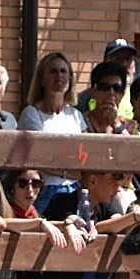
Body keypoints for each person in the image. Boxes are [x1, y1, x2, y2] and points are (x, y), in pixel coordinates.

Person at [18, 52, 87, 215]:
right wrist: (67, 171)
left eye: (63, 71)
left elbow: (84, 156)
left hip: (75, 188)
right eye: (53, 71)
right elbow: (38, 158)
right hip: (45, 190)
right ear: (42, 80)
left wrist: (72, 171)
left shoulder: (76, 115)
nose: (59, 76)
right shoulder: (31, 113)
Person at [77, 38, 137, 122]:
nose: (124, 64)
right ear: (105, 62)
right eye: (118, 58)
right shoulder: (86, 98)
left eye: (128, 59)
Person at [82, 61, 132, 135]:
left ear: (122, 95)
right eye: (104, 87)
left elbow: (131, 142)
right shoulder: (79, 121)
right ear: (93, 91)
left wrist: (116, 123)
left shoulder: (130, 126)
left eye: (117, 88)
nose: (111, 92)